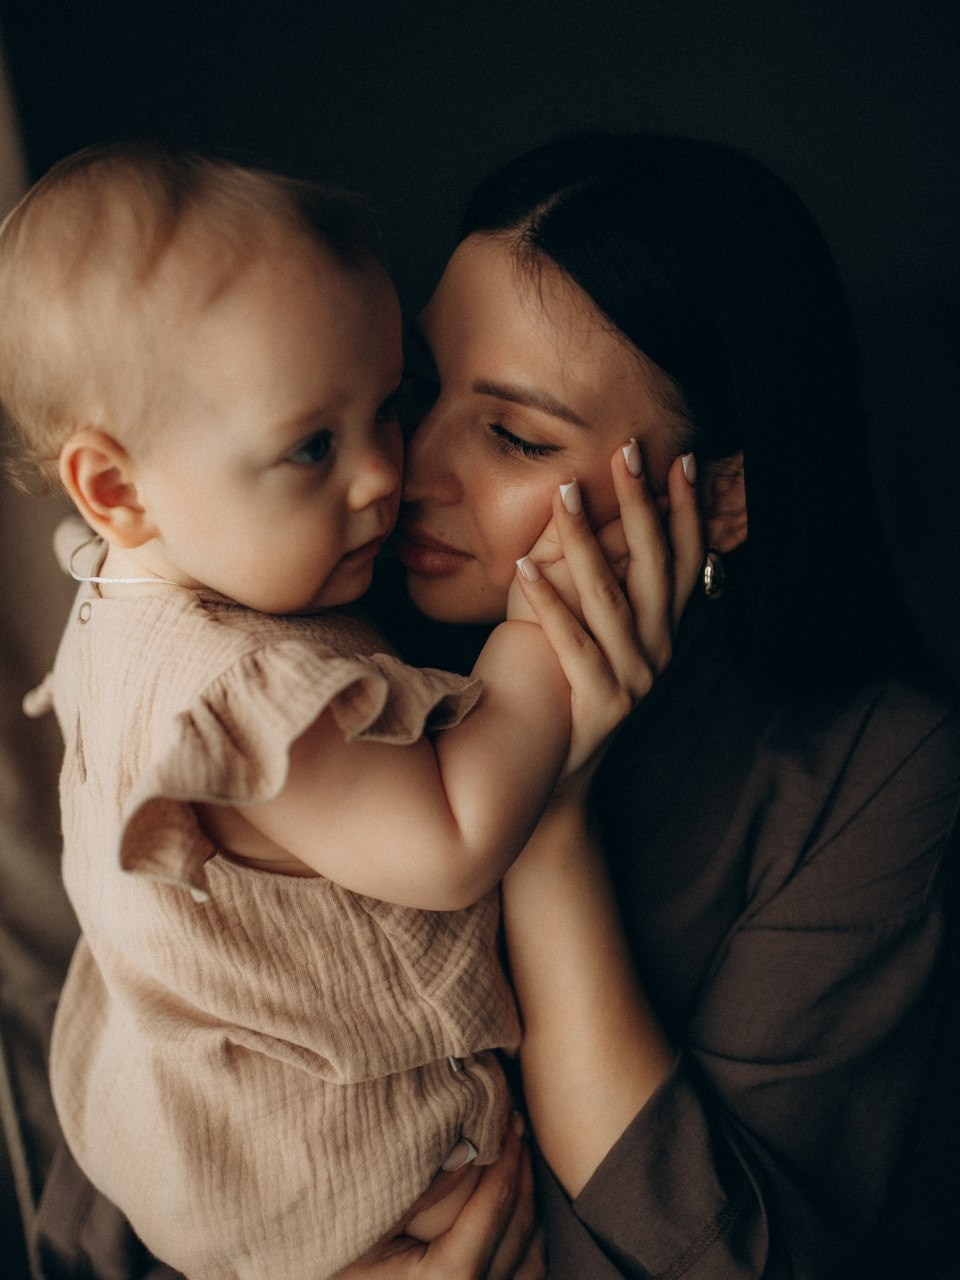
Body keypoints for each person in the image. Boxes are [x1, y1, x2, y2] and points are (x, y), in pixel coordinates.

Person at [30, 131, 960, 1279]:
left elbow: (730, 1256)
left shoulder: (873, 770)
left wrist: (549, 812)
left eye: (514, 434)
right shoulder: (308, 623)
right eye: (414, 389)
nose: (402, 468)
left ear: (719, 494)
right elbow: (131, 1120)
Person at [1, 142, 696, 1280]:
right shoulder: (241, 689)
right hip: (331, 1188)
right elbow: (455, 838)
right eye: (313, 446)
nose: (388, 472)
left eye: (385, 405)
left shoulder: (133, 589)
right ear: (117, 489)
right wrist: (530, 644)